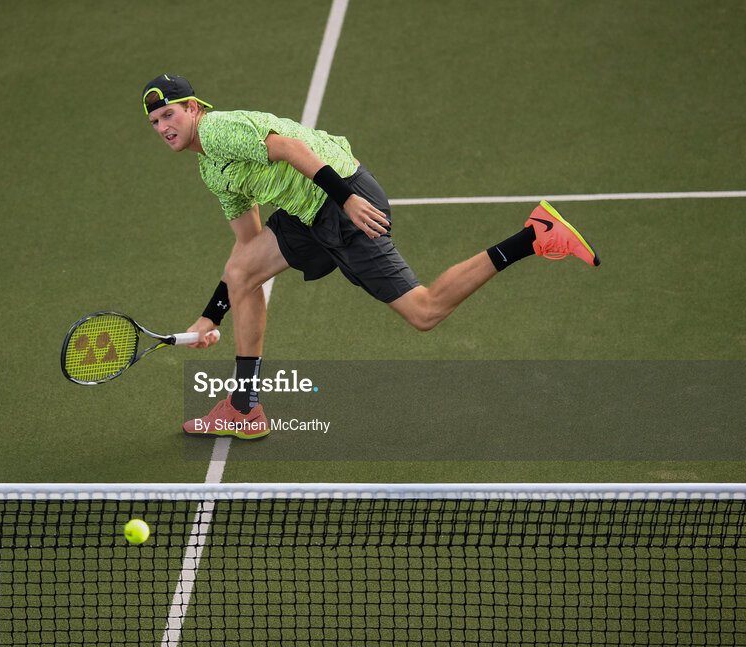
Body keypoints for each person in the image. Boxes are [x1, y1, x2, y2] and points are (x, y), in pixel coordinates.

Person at [142, 74, 599, 440]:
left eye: (170, 114)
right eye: (155, 123)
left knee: (424, 311)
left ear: (194, 108)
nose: (164, 127)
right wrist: (211, 317)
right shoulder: (210, 169)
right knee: (242, 274)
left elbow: (286, 146)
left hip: (340, 202)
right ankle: (244, 407)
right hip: (307, 210)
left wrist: (346, 200)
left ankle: (534, 235)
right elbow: (246, 247)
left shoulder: (219, 130)